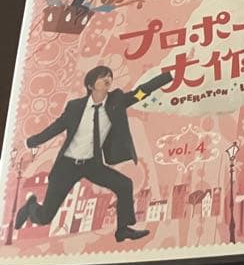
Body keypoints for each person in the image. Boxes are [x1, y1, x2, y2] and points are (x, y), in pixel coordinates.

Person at [14, 66, 172, 243]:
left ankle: (123, 230)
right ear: (90, 85)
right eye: (102, 76)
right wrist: (29, 142)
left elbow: (140, 93)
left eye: (109, 76)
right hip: (67, 165)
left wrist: (169, 76)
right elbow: (55, 128)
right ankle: (30, 207)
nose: (107, 79)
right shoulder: (75, 107)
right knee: (45, 217)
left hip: (92, 164)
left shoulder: (116, 102)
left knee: (124, 184)